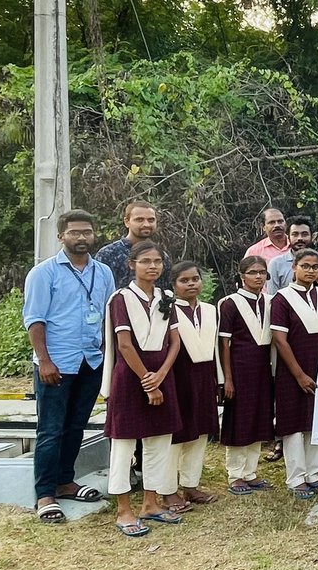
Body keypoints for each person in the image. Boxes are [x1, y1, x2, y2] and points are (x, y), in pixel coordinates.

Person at [23, 209, 116, 524]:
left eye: (86, 232)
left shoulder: (102, 272)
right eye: (74, 232)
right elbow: (34, 320)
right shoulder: (43, 273)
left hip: (91, 361)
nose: (81, 238)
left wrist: (106, 357)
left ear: (94, 235)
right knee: (50, 430)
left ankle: (65, 481)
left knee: (76, 426)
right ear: (61, 236)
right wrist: (45, 360)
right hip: (57, 363)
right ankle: (45, 493)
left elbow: (107, 315)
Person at [101, 240, 182, 536]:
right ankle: (124, 509)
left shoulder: (167, 297)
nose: (153, 267)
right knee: (124, 444)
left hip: (162, 375)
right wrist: (148, 381)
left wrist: (160, 375)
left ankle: (151, 502)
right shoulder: (121, 299)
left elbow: (175, 342)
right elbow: (124, 343)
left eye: (157, 262)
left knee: (159, 440)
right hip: (131, 377)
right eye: (146, 261)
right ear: (131, 264)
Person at [270, 248, 318, 499]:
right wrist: (298, 374)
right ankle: (296, 478)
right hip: (293, 367)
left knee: (316, 422)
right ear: (294, 267)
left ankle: (315, 474)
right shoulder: (282, 299)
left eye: (315, 267)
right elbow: (279, 339)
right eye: (305, 266)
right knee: (294, 424)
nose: (310, 271)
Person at [218, 256, 275, 495]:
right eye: (253, 272)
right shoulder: (230, 303)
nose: (258, 277)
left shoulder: (270, 301)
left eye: (262, 272)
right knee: (239, 419)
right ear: (242, 276)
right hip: (240, 368)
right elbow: (224, 343)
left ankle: (250, 472)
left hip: (262, 368)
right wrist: (227, 378)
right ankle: (235, 474)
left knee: (259, 419)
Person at [168, 261, 220, 509]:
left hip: (204, 376)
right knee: (177, 436)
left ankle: (191, 486)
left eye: (195, 279)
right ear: (174, 284)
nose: (191, 284)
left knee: (199, 433)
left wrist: (219, 379)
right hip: (179, 377)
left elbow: (216, 349)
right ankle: (168, 489)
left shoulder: (210, 310)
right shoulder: (167, 309)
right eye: (184, 280)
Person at [96, 200, 169, 289]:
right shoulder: (109, 254)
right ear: (127, 222)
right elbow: (99, 291)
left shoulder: (161, 256)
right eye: (140, 220)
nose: (146, 224)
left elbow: (166, 291)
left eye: (151, 220)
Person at [267, 216, 318, 296]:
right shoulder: (276, 263)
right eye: (295, 234)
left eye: (304, 234)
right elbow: (272, 296)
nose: (300, 238)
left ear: (312, 237)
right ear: (288, 237)